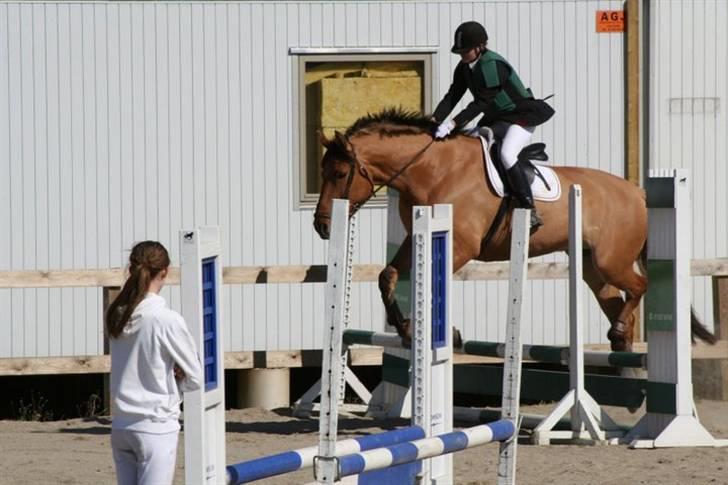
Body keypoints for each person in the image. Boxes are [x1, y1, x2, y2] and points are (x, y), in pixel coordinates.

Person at [432, 20, 554, 229]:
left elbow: (481, 102)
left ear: (480, 47)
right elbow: (452, 96)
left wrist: (452, 123)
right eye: (460, 51)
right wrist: (434, 120)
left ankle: (529, 209)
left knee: (506, 153)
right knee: (467, 143)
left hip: (520, 116)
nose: (462, 55)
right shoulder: (464, 68)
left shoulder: (492, 65)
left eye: (466, 50)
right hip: (496, 118)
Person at [106, 241, 202, 485]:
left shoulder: (117, 313)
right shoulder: (166, 319)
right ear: (165, 272)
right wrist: (175, 381)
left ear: (132, 269)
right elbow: (195, 377)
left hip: (121, 425)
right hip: (155, 426)